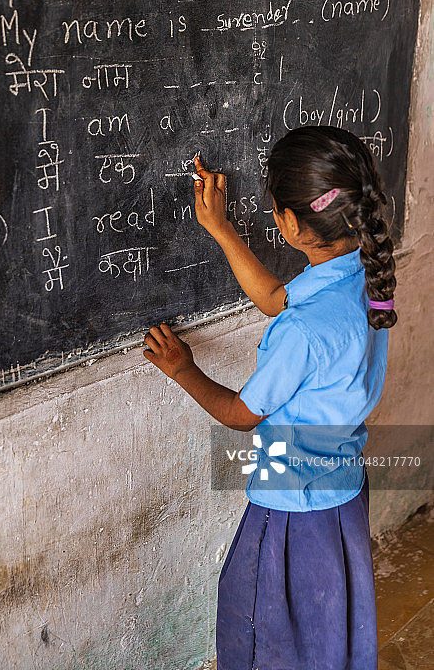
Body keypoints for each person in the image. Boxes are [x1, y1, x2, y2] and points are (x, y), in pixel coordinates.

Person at [143, 126, 397, 670]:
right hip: (342, 492)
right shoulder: (364, 276)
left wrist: (183, 368)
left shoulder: (303, 331)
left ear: (289, 224)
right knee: (326, 625)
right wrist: (221, 229)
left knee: (260, 627)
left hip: (291, 505)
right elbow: (278, 299)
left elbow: (241, 414)